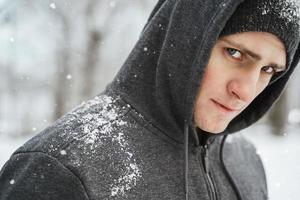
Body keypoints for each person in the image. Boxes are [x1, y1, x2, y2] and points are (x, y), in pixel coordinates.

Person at [0, 0, 299, 199]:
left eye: (268, 70)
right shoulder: (61, 167)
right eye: (234, 53)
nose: (246, 91)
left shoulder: (244, 160)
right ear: (185, 40)